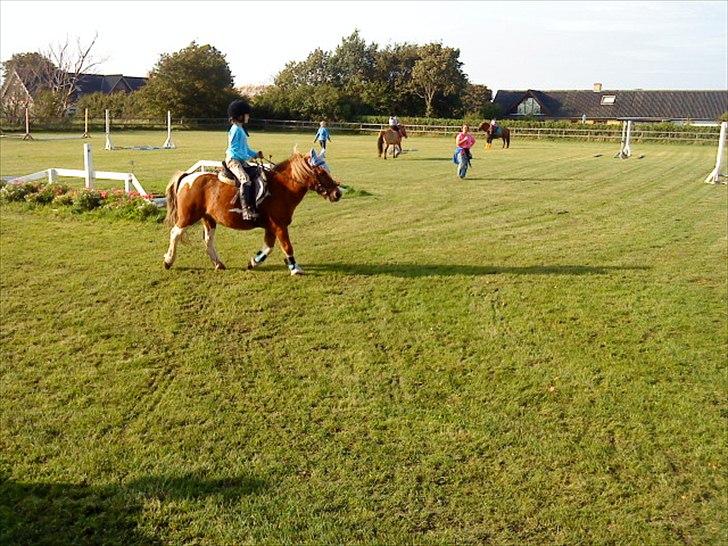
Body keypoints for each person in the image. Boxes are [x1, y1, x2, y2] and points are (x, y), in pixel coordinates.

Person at [226, 99, 264, 219]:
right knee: (245, 180)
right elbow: (235, 150)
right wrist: (249, 158)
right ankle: (246, 210)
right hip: (233, 160)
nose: (248, 116)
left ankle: (255, 202)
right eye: (247, 114)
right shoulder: (236, 130)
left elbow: (245, 148)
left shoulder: (241, 129)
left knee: (258, 173)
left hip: (240, 160)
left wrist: (256, 154)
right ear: (240, 116)